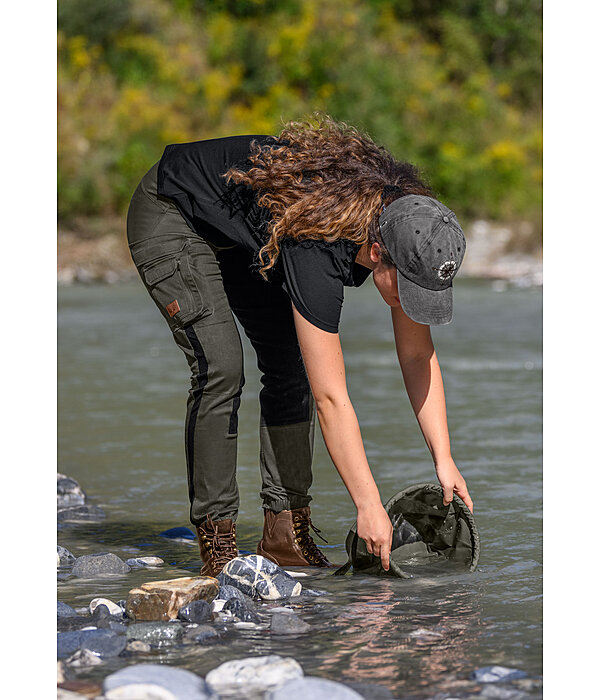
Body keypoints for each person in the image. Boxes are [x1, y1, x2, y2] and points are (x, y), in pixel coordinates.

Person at [126, 115, 473, 577]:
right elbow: (332, 399)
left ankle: (284, 535)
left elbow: (415, 355)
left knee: (290, 368)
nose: (413, 305)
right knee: (223, 367)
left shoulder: (413, 227)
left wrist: (444, 459)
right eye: (408, 291)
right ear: (375, 253)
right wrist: (368, 505)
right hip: (175, 212)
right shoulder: (319, 249)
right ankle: (218, 542)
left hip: (253, 236)